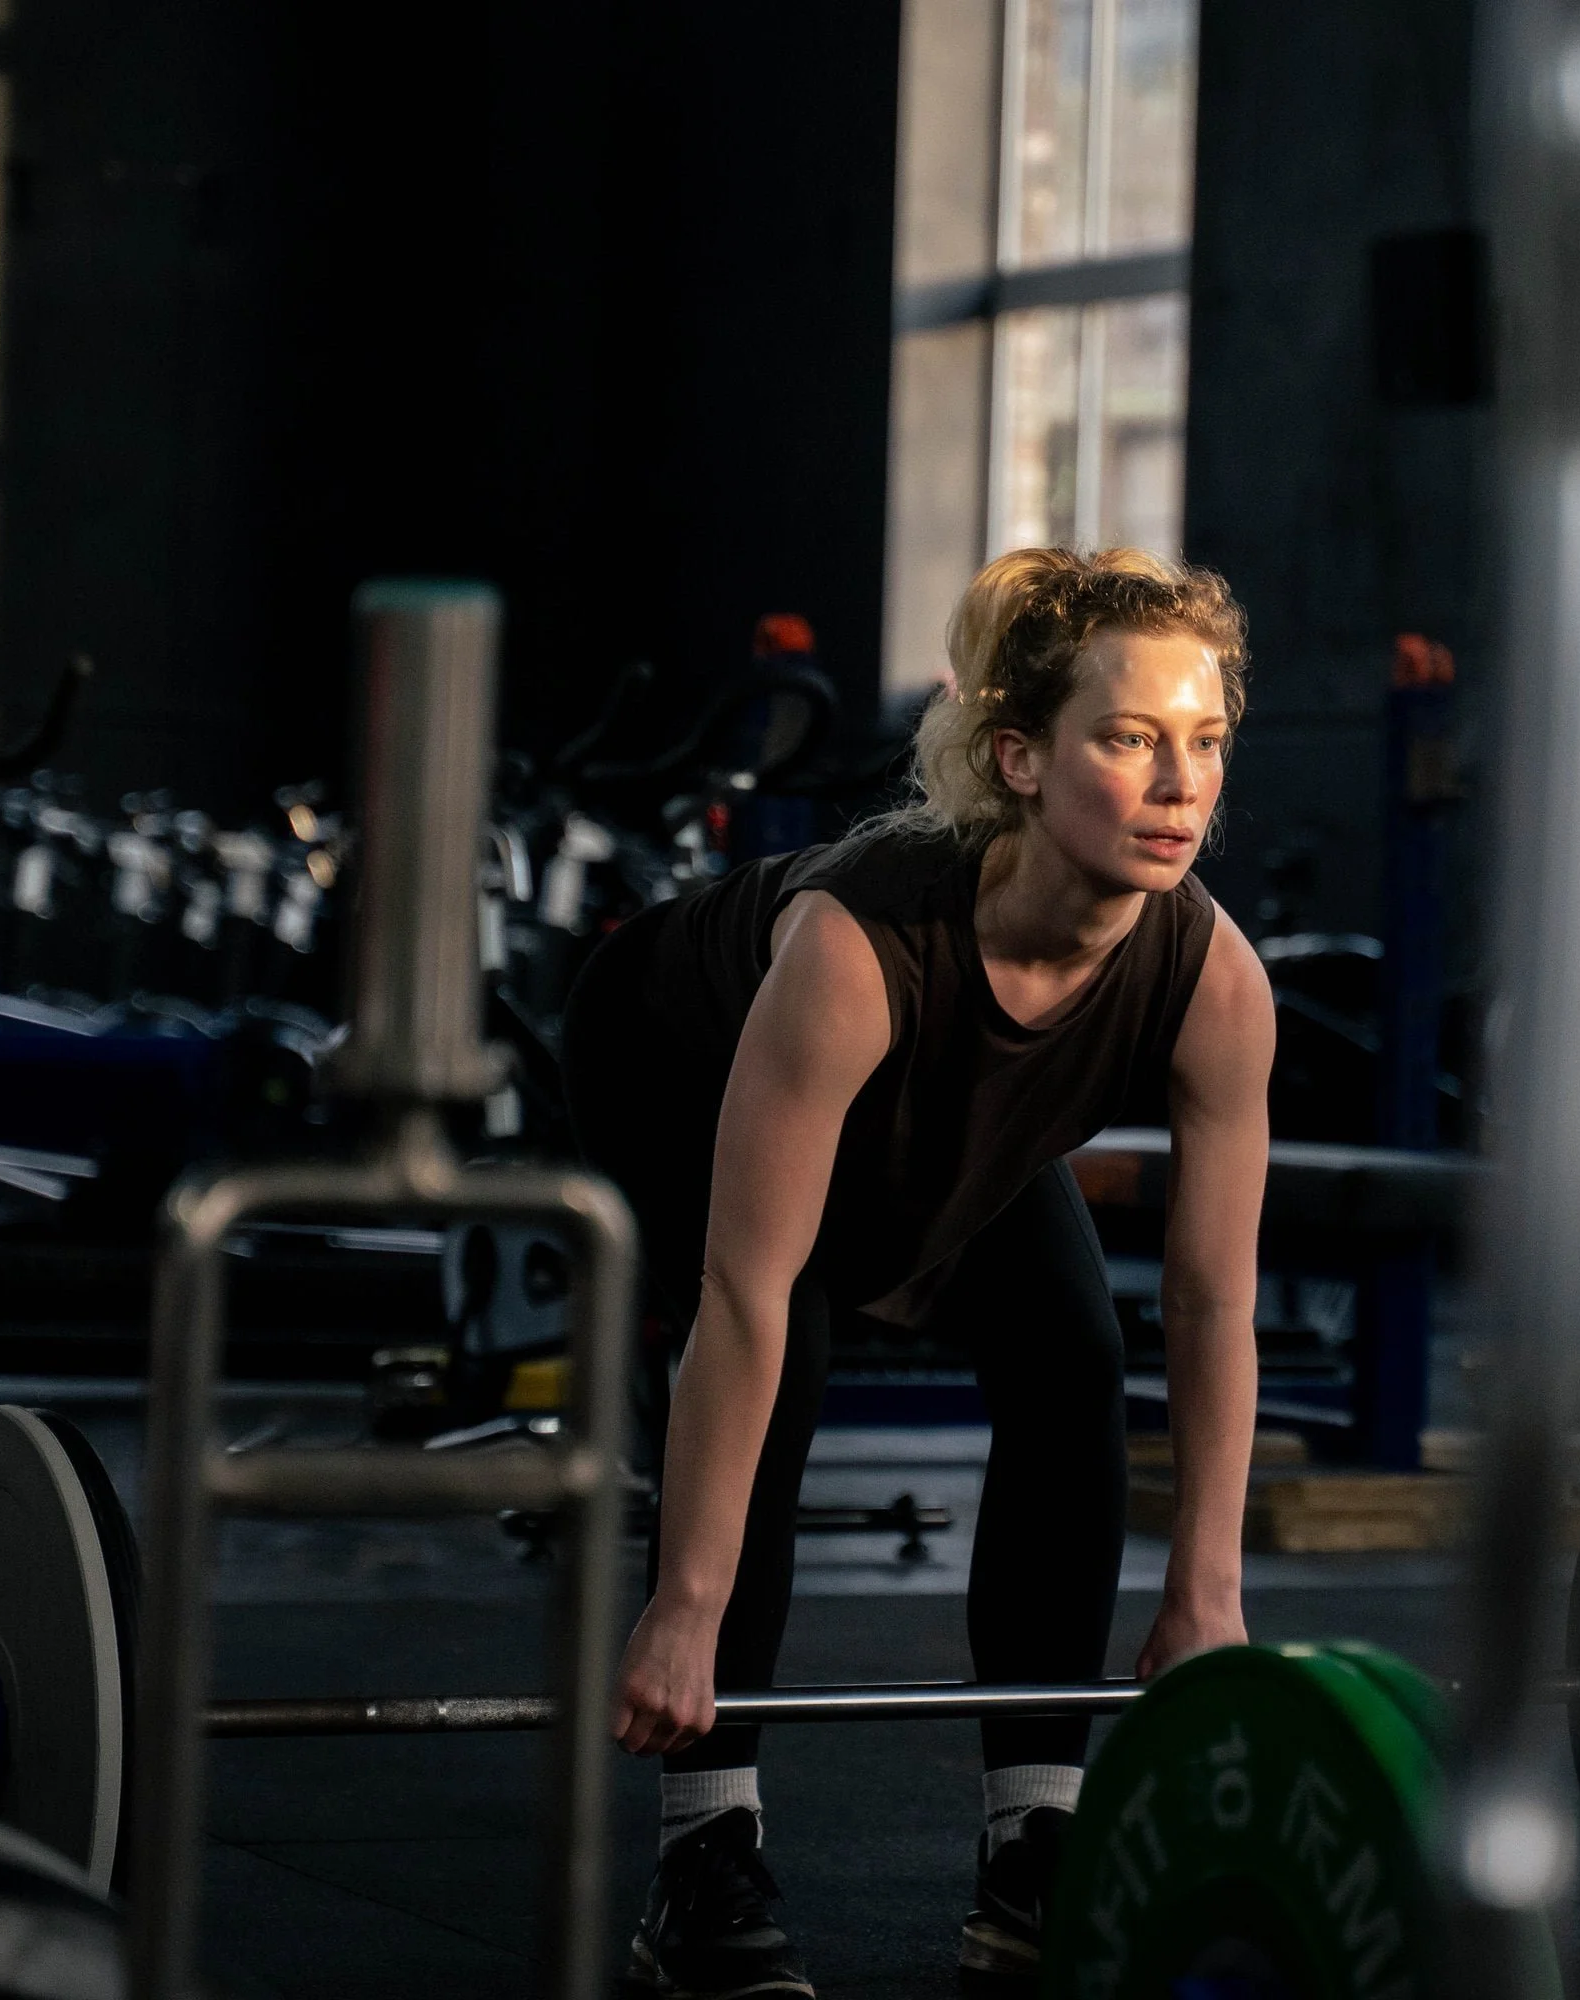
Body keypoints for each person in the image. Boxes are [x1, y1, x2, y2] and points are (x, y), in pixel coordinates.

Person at [563, 546, 1273, 1998]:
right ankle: (704, 1846)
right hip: (671, 1060)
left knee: (1075, 1359)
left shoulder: (1213, 981)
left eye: (1203, 741)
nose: (1179, 782)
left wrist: (1206, 1591)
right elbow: (747, 1304)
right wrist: (682, 1605)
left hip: (936, 1107)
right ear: (1020, 757)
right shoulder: (853, 945)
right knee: (791, 1349)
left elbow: (1208, 1303)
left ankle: (1035, 1844)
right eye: (1129, 739)